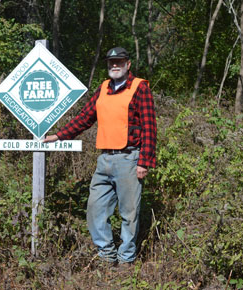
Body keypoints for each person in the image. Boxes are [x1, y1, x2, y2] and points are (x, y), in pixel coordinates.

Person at [43, 47, 157, 267]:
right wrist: (59, 135)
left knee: (129, 214)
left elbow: (150, 128)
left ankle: (126, 260)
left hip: (129, 158)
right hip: (104, 160)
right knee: (95, 210)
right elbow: (84, 118)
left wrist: (144, 162)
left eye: (119, 61)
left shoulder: (140, 88)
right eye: (111, 62)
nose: (115, 65)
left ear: (128, 64)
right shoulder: (103, 88)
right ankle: (106, 256)